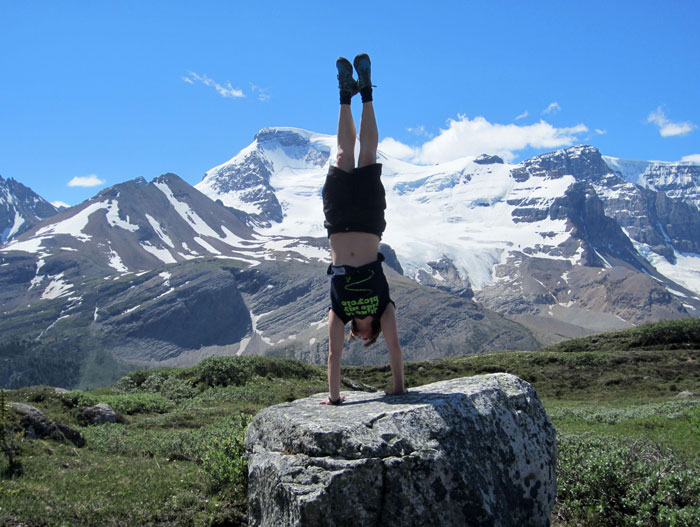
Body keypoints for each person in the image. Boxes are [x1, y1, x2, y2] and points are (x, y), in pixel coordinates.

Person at [320, 53, 406, 405]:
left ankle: (344, 94)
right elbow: (396, 349)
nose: (360, 333)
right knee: (367, 155)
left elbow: (333, 356)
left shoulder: (340, 313)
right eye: (363, 335)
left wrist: (334, 397)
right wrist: (399, 387)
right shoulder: (385, 309)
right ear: (368, 335)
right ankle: (366, 90)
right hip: (370, 223)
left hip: (338, 223)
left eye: (357, 333)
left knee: (343, 155)